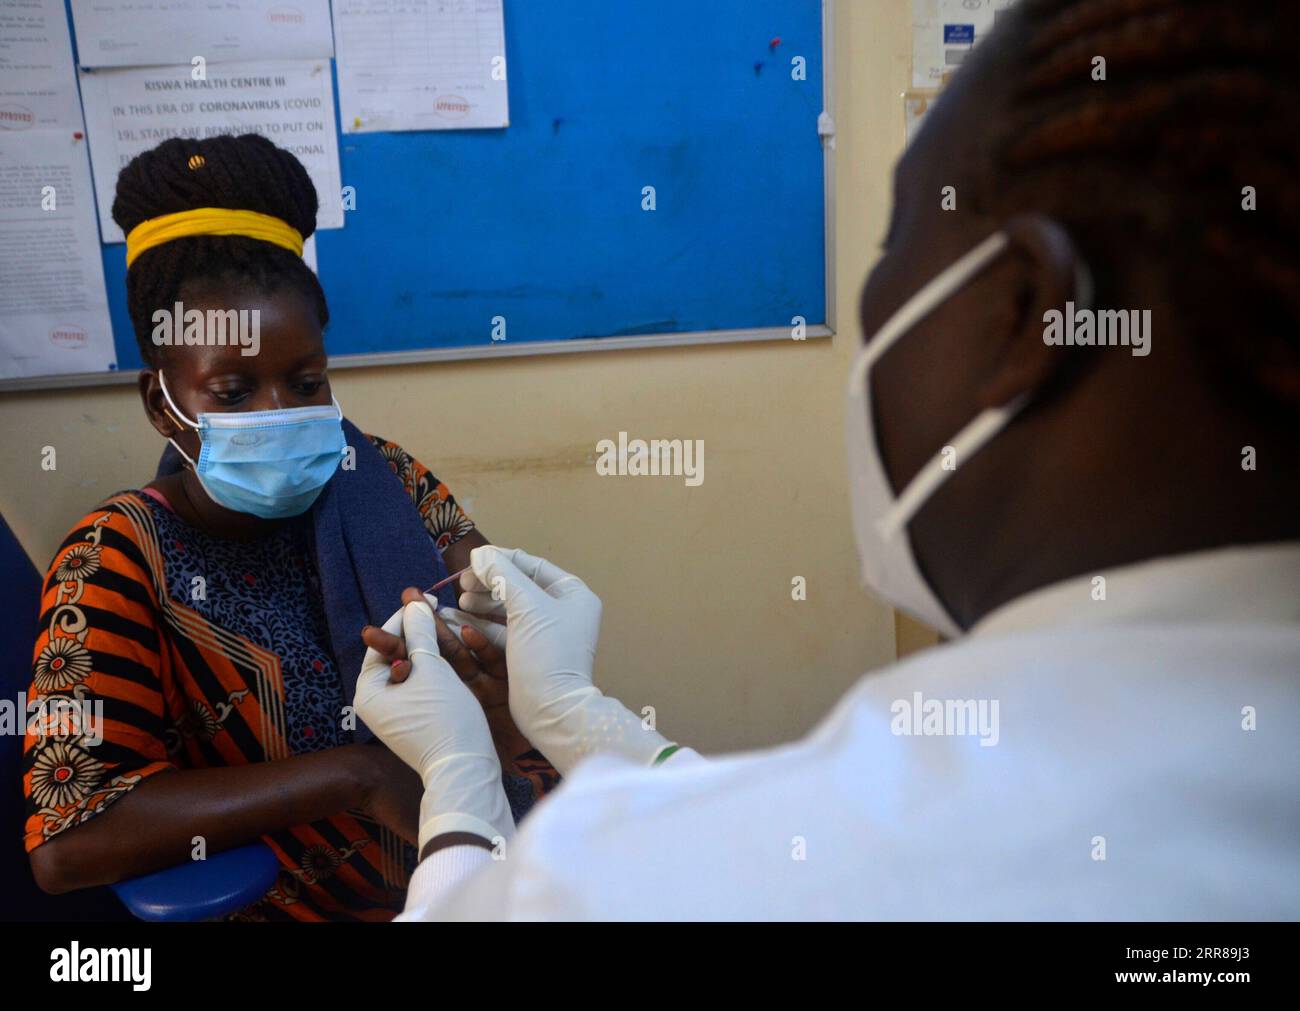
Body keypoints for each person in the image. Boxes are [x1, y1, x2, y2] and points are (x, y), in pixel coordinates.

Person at [353, 0, 1300, 919]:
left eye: (894, 245)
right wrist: (578, 719)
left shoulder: (606, 881)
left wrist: (460, 798)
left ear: (1021, 312)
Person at [22, 134, 557, 921]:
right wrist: (358, 776)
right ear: (160, 401)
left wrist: (500, 649)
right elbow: (71, 838)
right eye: (233, 392)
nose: (282, 415)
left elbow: (500, 629)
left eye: (306, 381)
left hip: (500, 848)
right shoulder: (112, 560)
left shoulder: (384, 477)